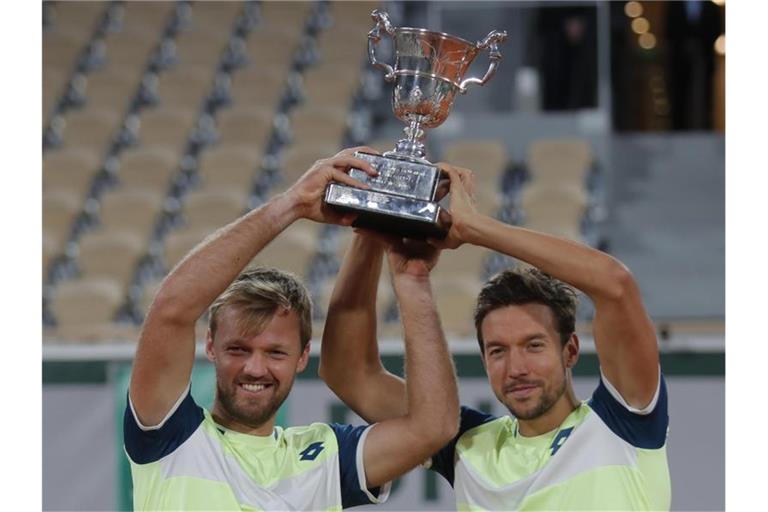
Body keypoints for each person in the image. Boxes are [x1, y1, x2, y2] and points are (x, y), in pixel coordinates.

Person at [123, 148, 460, 510]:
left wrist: (404, 268)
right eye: (238, 349)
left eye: (275, 352)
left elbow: (433, 428)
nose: (255, 368)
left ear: (302, 356)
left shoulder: (326, 455)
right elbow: (171, 310)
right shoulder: (169, 435)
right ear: (210, 346)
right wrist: (292, 205)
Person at [320, 163, 670, 510]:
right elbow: (350, 374)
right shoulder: (467, 442)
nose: (516, 368)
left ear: (570, 350)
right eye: (498, 351)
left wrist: (476, 228)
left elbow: (615, 285)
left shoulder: (623, 422)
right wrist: (371, 223)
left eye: (533, 346)